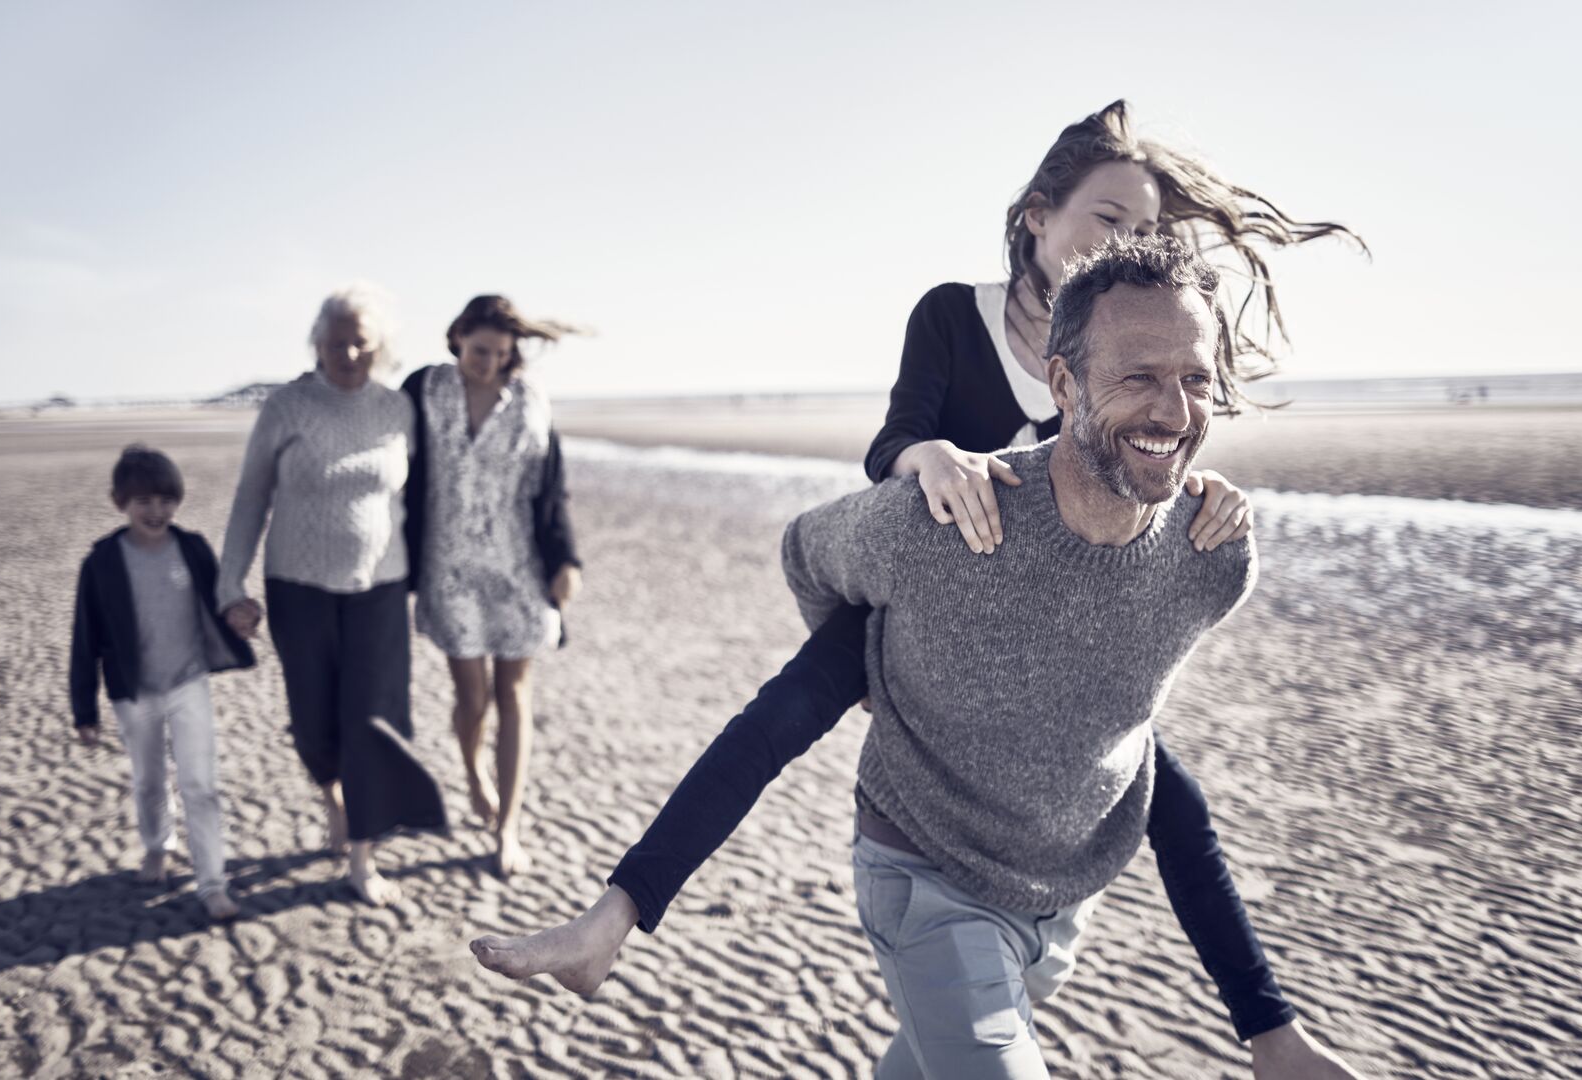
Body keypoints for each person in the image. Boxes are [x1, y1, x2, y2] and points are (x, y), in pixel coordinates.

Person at [470, 99, 1366, 1066]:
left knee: (1147, 769)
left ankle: (1268, 1032)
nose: (1129, 242)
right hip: (942, 554)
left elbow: (1158, 432)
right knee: (784, 712)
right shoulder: (961, 321)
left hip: (1068, 682)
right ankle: (618, 912)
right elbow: (884, 454)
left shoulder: (1162, 396)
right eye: (1109, 222)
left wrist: (1183, 484)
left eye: (1145, 229)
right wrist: (909, 579)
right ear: (1038, 216)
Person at [216, 284, 447, 907]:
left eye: (360, 341)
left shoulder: (398, 411)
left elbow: (425, 500)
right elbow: (249, 499)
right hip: (297, 588)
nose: (347, 351)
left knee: (372, 723)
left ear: (381, 346)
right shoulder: (286, 408)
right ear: (316, 342)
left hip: (381, 590)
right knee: (316, 723)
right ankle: (334, 797)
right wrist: (229, 583)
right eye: (335, 340)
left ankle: (362, 856)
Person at [402, 295, 582, 878]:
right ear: (456, 338)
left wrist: (566, 559)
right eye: (481, 351)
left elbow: (550, 485)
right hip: (447, 567)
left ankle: (508, 826)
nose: (490, 363)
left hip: (519, 567)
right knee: (472, 699)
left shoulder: (529, 398)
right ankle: (473, 770)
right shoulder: (423, 390)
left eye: (502, 354)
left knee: (515, 696)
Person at [69, 445, 254, 921]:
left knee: (201, 785)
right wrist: (84, 713)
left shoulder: (190, 547)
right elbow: (84, 639)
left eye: (166, 500)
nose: (156, 511)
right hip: (134, 692)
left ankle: (213, 883)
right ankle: (158, 844)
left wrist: (240, 616)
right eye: (143, 501)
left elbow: (221, 601)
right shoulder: (102, 562)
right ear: (119, 502)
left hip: (189, 683)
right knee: (150, 779)